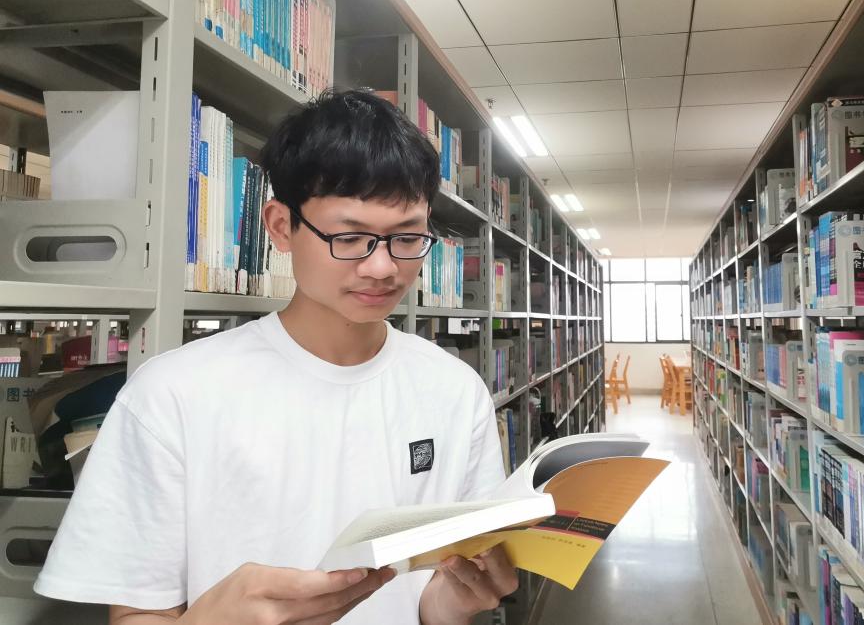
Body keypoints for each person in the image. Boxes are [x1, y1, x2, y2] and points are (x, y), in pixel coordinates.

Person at [34, 89, 517, 624]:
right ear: (281, 226)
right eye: (349, 236)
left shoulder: (454, 390)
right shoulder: (173, 394)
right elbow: (137, 613)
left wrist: (462, 598)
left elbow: (425, 604)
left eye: (406, 238)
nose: (382, 268)